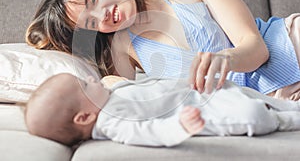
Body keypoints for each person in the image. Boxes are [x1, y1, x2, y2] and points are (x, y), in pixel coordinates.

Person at [25, 0, 300, 100]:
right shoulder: (122, 48)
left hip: (290, 45)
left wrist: (227, 59)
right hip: (273, 101)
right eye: (91, 23)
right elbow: (124, 96)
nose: (102, 16)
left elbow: (256, 47)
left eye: (93, 1)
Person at [25, 73, 300, 147]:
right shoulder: (111, 122)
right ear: (84, 117)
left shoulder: (108, 97)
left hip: (199, 93)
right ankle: (284, 119)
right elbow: (148, 132)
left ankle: (287, 108)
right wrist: (178, 127)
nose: (91, 78)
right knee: (254, 114)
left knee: (258, 98)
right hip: (204, 112)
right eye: (85, 85)